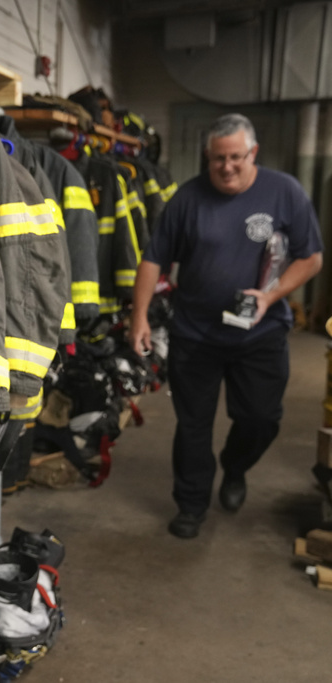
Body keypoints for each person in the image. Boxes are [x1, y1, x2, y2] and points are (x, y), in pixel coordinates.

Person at [129, 113, 323, 539]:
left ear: (252, 153)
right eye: (218, 158)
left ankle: (236, 468)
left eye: (236, 157)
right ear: (207, 157)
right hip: (195, 334)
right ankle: (192, 504)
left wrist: (270, 297)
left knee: (260, 418)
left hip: (262, 332)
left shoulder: (285, 192)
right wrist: (139, 315)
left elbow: (312, 258)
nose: (227, 166)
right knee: (193, 424)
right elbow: (154, 258)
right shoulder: (187, 198)